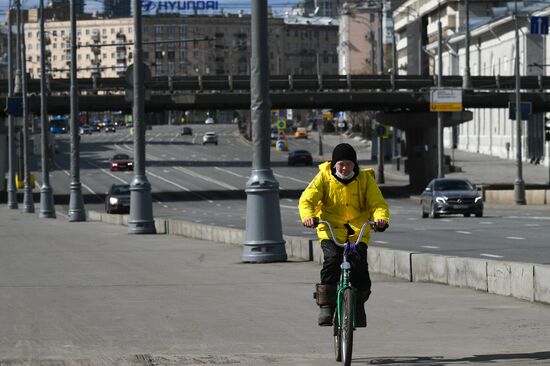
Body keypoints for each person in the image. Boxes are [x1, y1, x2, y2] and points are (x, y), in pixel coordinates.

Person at [298, 143, 390, 327]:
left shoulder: (365, 179)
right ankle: (326, 305)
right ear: (334, 164)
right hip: (330, 230)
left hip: (357, 232)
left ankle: (358, 306)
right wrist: (309, 217)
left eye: (349, 164)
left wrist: (381, 219)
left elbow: (378, 204)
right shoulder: (323, 177)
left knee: (360, 269)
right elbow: (306, 200)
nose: (345, 168)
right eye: (341, 164)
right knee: (331, 261)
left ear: (354, 164)